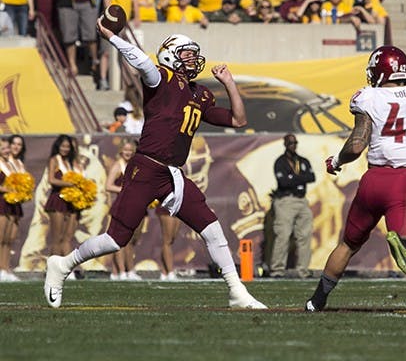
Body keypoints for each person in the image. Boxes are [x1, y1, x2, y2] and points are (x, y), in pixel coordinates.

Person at [43, 17, 267, 309]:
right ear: (170, 55)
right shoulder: (162, 80)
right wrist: (113, 36)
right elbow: (142, 63)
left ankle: (237, 292)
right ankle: (62, 264)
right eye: (186, 53)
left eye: (193, 53)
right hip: (145, 168)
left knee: (211, 227)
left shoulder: (200, 93)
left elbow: (239, 120)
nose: (192, 59)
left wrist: (230, 84)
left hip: (172, 174)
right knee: (116, 239)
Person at [305, 45, 406, 312]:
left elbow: (357, 144)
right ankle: (402, 243)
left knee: (348, 243)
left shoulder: (369, 97)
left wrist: (336, 161)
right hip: (404, 182)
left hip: (372, 182)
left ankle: (317, 300)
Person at [269, 134, 315, 279]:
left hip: (302, 200)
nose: (293, 145)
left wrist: (293, 178)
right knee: (283, 235)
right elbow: (283, 183)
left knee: (305, 236)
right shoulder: (280, 162)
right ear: (285, 144)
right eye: (290, 143)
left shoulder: (303, 161)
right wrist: (300, 178)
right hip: (285, 201)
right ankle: (277, 269)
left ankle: (303, 270)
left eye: (295, 143)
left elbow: (312, 177)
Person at [105, 139, 143, 280]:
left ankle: (125, 270)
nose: (128, 153)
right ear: (121, 151)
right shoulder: (117, 166)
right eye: (125, 150)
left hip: (136, 206)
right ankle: (122, 271)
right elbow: (108, 186)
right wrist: (126, 190)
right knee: (121, 240)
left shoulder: (135, 166)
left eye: (131, 150)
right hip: (122, 206)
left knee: (132, 240)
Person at [56, 0, 99, 76]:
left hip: (87, 2)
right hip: (68, 3)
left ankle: (95, 62)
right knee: (69, 36)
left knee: (91, 34)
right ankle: (72, 65)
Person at [44, 134, 78, 258]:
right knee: (56, 237)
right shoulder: (54, 159)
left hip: (69, 201)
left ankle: (66, 269)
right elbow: (51, 179)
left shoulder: (69, 162)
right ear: (58, 146)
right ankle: (53, 268)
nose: (65, 149)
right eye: (63, 146)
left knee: (66, 237)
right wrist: (69, 184)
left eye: (68, 147)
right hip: (57, 199)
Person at [0, 138, 20, 281]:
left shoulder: (12, 164)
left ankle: (5, 269)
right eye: (3, 149)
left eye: (8, 148)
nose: (7, 151)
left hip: (12, 204)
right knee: (0, 238)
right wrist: (4, 188)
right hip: (1, 202)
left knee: (9, 239)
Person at [155, 205, 180, 280]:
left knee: (172, 239)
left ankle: (164, 272)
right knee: (167, 240)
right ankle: (170, 271)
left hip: (178, 206)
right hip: (166, 206)